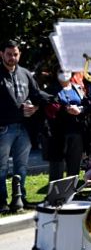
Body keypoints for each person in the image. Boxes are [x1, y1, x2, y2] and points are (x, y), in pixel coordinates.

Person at [0, 40, 51, 212]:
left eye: (15, 54)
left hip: (25, 128)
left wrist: (36, 107)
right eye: (8, 54)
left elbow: (36, 94)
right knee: (1, 166)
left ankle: (19, 198)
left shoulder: (25, 73)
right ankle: (1, 202)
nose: (12, 58)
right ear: (1, 54)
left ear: (19, 54)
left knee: (21, 166)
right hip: (3, 128)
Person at [45, 70, 89, 182]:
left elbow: (87, 105)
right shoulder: (51, 89)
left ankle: (71, 193)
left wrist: (80, 110)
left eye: (67, 71)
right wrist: (66, 110)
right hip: (58, 133)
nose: (65, 73)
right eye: (61, 71)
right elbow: (50, 108)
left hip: (77, 132)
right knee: (57, 167)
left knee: (74, 165)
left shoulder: (78, 88)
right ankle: (55, 196)